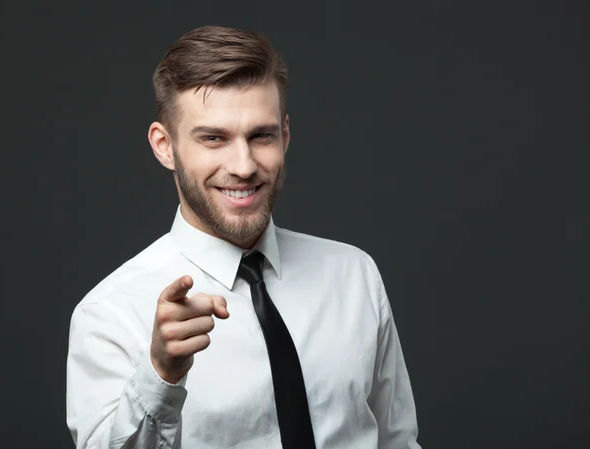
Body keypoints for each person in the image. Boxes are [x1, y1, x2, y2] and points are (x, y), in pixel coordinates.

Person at [66, 25, 422, 449]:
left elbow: (398, 441)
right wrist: (160, 375)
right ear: (165, 146)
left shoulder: (354, 275)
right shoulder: (110, 314)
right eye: (213, 138)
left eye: (261, 136)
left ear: (284, 136)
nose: (244, 165)